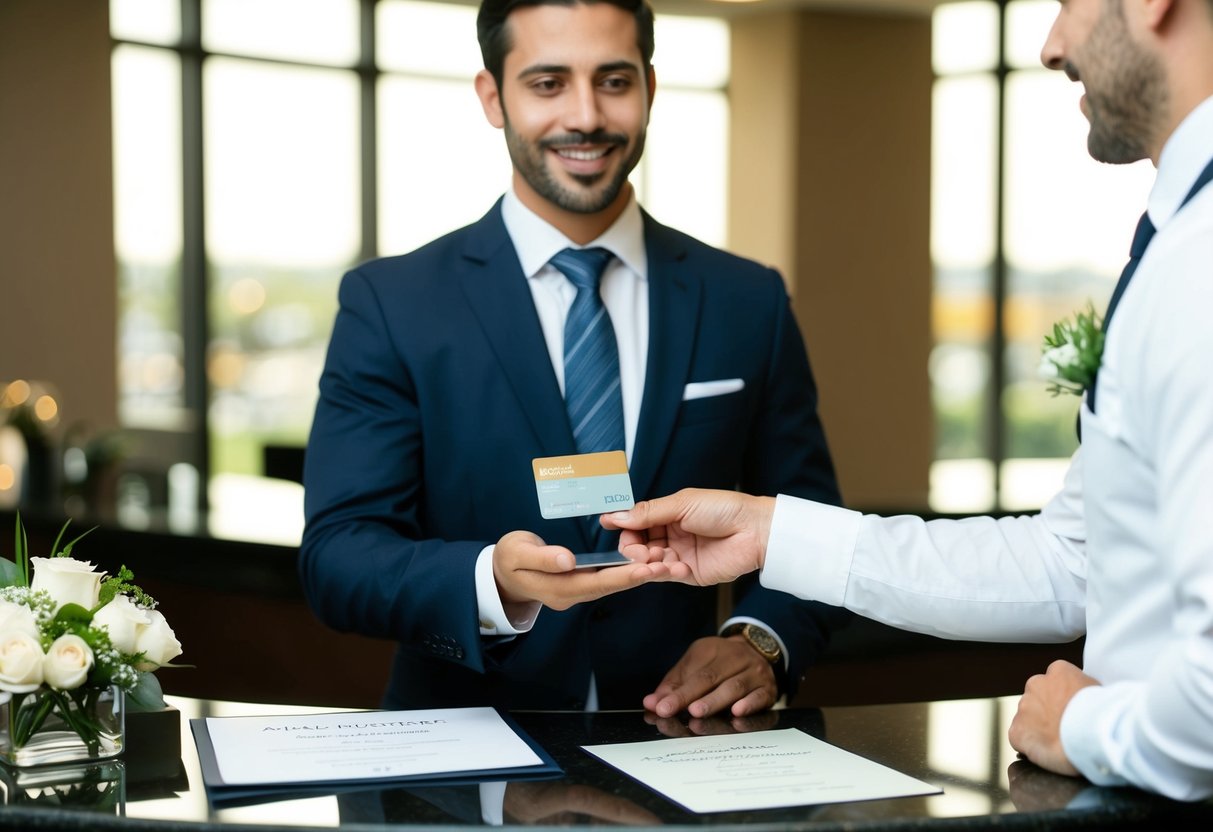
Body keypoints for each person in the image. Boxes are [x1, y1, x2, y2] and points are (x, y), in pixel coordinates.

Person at [604, 0, 1213, 801]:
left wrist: (1082, 728)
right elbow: (1072, 558)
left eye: (1067, 2)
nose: (1051, 43)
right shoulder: (1178, 238)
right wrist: (769, 533)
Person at [300, 0, 846, 718]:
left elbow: (811, 522)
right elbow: (339, 557)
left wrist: (759, 640)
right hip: (465, 764)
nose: (585, 115)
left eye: (613, 81)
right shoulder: (392, 302)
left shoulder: (748, 299)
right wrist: (488, 579)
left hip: (686, 748)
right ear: (493, 97)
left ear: (648, 86)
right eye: (548, 83)